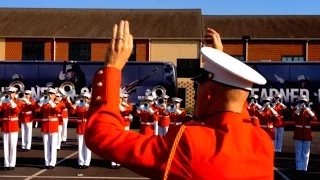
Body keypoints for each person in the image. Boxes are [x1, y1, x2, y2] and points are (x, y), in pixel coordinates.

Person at [85, 20, 274, 179]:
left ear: (208, 96)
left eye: (198, 88)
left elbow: (101, 135)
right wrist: (222, 63)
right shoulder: (262, 141)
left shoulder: (190, 142)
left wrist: (112, 68)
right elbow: (235, 103)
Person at [36, 88, 62, 169]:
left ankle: (52, 163)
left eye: (51, 94)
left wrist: (51, 102)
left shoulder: (57, 103)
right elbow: (37, 110)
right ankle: (47, 162)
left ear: (54, 95)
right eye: (49, 93)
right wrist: (41, 102)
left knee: (53, 146)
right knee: (46, 146)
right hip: (45, 127)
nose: (50, 95)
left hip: (53, 126)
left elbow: (58, 111)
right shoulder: (44, 104)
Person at [292, 95, 317, 173]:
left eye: (304, 102)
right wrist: (299, 109)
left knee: (306, 152)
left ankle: (304, 167)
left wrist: (307, 110)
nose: (303, 103)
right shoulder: (296, 110)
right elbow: (293, 116)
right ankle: (298, 167)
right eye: (301, 102)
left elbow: (315, 118)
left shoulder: (309, 110)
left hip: (307, 134)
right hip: (298, 133)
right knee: (298, 151)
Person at [0, 87, 21, 170]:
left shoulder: (17, 102)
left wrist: (11, 101)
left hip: (13, 126)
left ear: (15, 93)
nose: (10, 93)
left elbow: (17, 111)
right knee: (5, 146)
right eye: (9, 92)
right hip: (5, 126)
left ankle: (12, 164)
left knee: (12, 146)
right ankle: (6, 163)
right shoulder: (4, 103)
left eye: (12, 92)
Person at [70, 92, 92, 169]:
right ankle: (81, 162)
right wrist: (75, 104)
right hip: (80, 127)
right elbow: (72, 112)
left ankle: (87, 162)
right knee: (80, 146)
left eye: (86, 98)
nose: (84, 99)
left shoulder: (91, 107)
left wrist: (87, 105)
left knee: (87, 146)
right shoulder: (79, 106)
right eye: (84, 98)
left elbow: (91, 113)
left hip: (87, 128)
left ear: (89, 99)